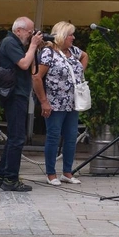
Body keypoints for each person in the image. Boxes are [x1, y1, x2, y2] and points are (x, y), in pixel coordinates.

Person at [33, 20, 89, 186]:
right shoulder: (48, 53)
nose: (73, 37)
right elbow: (36, 77)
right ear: (62, 36)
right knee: (53, 136)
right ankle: (51, 173)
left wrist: (77, 75)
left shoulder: (73, 51)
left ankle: (67, 172)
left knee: (71, 137)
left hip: (73, 103)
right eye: (70, 34)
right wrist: (44, 102)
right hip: (54, 103)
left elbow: (85, 56)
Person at [0, 16, 43, 192]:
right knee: (17, 138)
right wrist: (33, 45)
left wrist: (34, 47)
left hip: (18, 93)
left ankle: (1, 176)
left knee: (14, 137)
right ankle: (11, 180)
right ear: (18, 30)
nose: (31, 35)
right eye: (29, 32)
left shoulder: (16, 43)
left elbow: (30, 65)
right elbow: (23, 64)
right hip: (15, 95)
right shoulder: (9, 42)